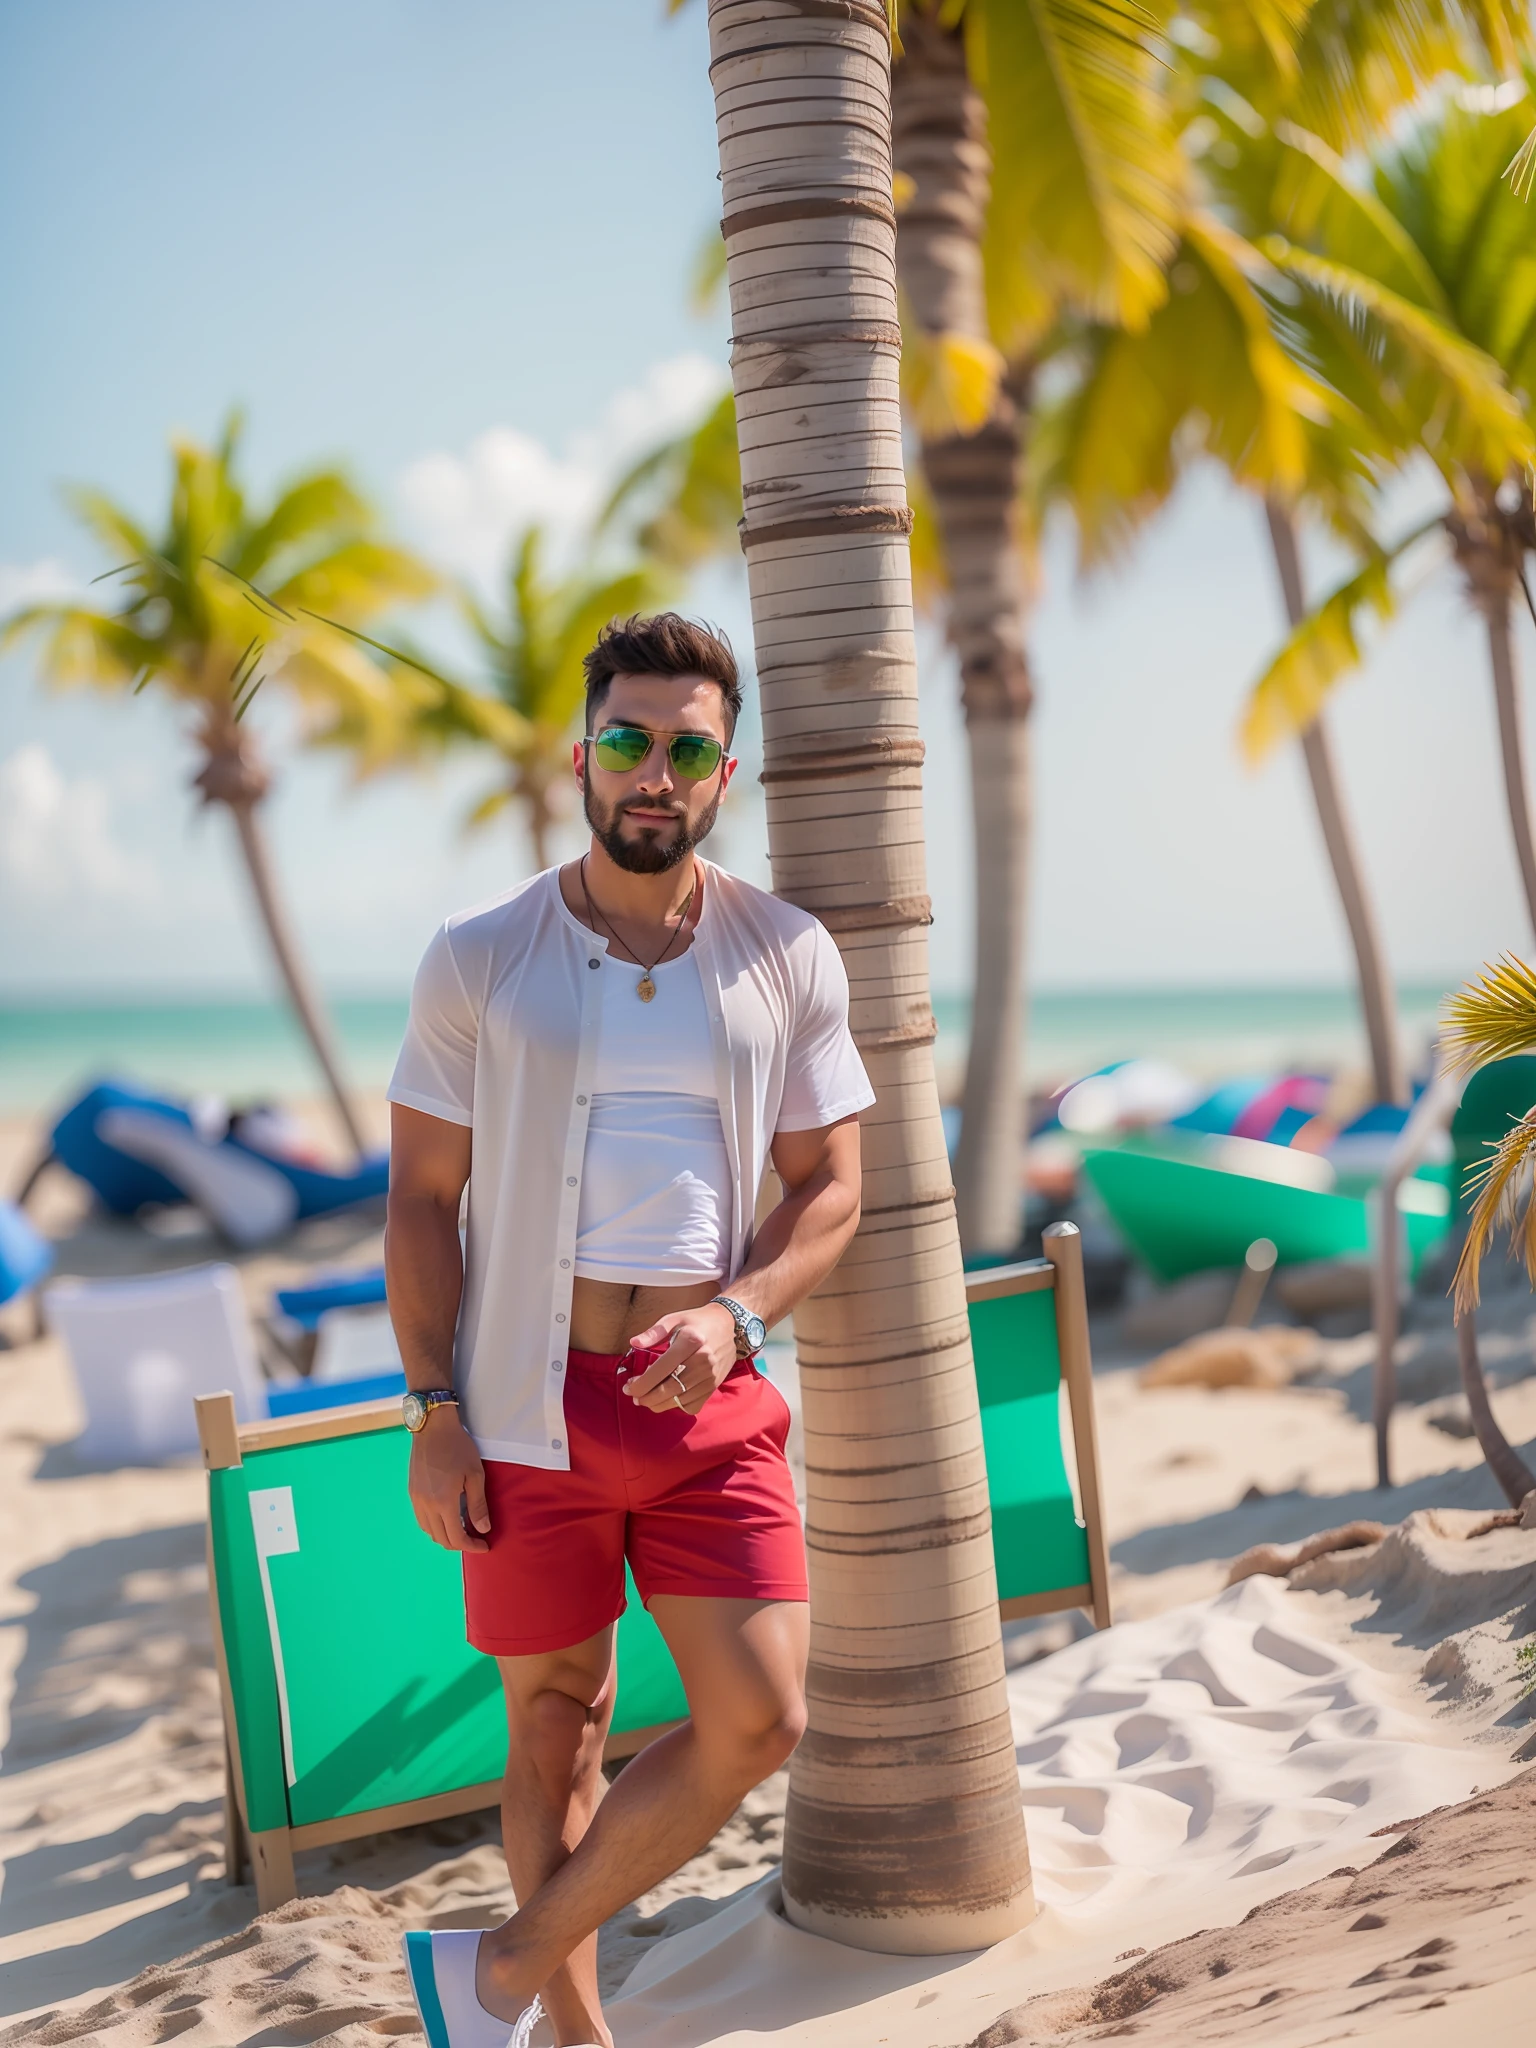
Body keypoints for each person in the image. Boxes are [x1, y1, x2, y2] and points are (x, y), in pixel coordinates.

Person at [387, 614, 874, 2048]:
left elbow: (833, 1189)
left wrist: (737, 1320)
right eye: (627, 740)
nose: (653, 771)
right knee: (555, 1730)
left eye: (687, 748)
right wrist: (432, 1409)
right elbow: (421, 1199)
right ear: (581, 756)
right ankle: (572, 2037)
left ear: (728, 773)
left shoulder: (786, 954)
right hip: (521, 1408)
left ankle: (497, 1970)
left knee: (761, 1720)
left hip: (706, 1399)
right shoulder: (481, 957)